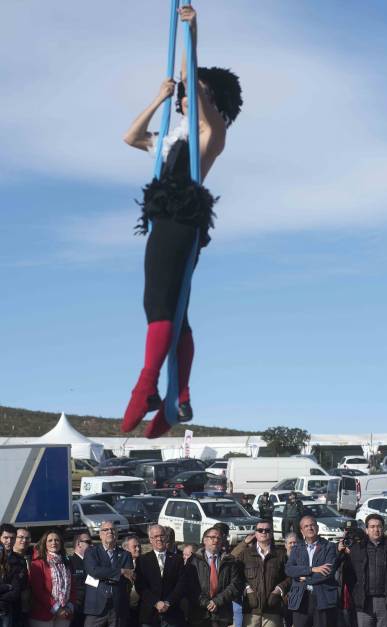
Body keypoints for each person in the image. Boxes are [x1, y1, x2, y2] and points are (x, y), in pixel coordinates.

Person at [121, 3, 242, 434]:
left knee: (158, 300)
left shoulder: (210, 135)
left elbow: (202, 102)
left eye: (200, 94)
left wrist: (194, 35)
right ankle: (180, 397)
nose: (190, 98)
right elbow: (131, 136)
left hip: (179, 220)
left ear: (214, 102)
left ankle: (147, 386)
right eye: (189, 93)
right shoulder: (171, 139)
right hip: (169, 220)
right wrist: (159, 97)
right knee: (175, 309)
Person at [233, 522, 289, 627]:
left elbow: (289, 577)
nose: (264, 533)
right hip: (251, 608)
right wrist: (246, 590)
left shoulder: (280, 554)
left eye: (267, 530)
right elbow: (234, 572)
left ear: (271, 533)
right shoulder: (245, 553)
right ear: (255, 533)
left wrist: (279, 590)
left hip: (272, 609)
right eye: (260, 530)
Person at [285, 516, 338, 627]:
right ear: (301, 530)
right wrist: (312, 569)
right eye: (306, 526)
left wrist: (304, 576)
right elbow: (289, 570)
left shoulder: (329, 547)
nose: (310, 528)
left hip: (322, 599)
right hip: (301, 600)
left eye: (312, 525)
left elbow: (328, 572)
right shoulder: (297, 548)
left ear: (317, 527)